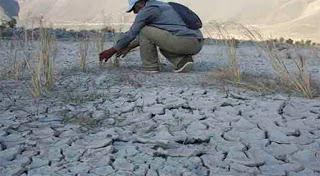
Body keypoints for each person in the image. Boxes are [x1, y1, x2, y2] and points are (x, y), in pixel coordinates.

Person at [99, 0, 204, 73]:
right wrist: (129, 46)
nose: (135, 13)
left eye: (134, 9)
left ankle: (150, 67)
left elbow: (133, 33)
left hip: (183, 42)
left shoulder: (147, 10)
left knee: (144, 29)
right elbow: (153, 36)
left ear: (140, 3)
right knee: (162, 44)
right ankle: (182, 62)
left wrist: (112, 50)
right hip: (197, 43)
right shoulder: (164, 6)